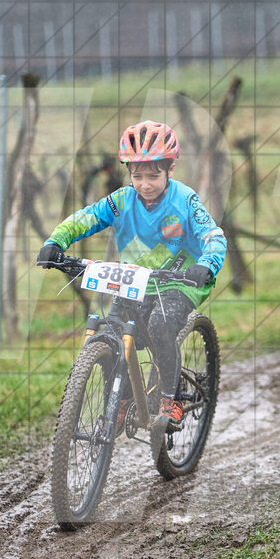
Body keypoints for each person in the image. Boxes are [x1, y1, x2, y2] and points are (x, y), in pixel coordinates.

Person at [38, 120, 227, 427]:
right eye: (137, 176)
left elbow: (213, 236)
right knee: (111, 334)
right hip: (136, 280)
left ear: (170, 170)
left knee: (161, 325)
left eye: (154, 175)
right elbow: (86, 218)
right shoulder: (122, 200)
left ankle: (171, 397)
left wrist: (207, 265)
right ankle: (124, 400)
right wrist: (55, 241)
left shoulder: (185, 200)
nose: (145, 184)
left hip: (182, 278)